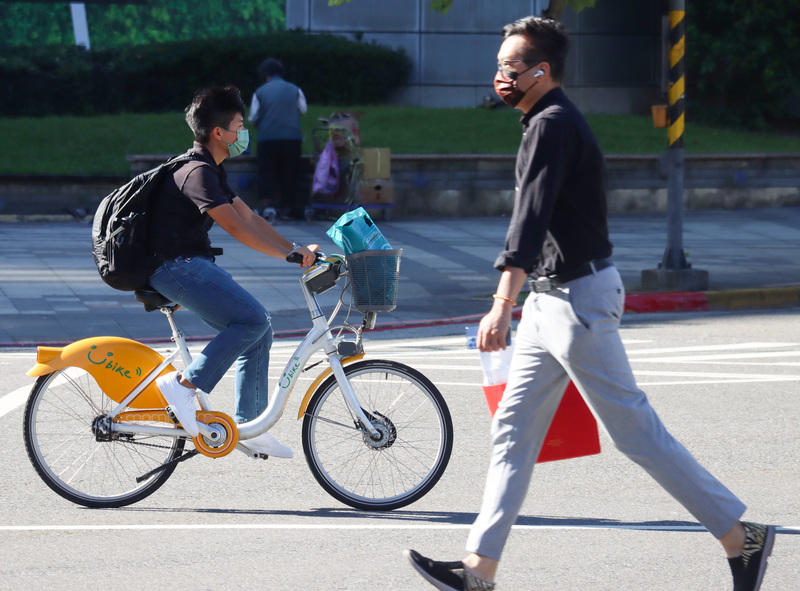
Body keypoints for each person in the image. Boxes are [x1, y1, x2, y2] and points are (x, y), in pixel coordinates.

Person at [405, 17, 775, 591]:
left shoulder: (552, 125)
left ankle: (739, 535)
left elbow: (528, 219)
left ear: (539, 72)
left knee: (636, 434)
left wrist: (501, 300)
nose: (499, 77)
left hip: (576, 302)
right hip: (550, 302)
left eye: (508, 67)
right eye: (500, 65)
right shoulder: (547, 122)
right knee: (511, 432)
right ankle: (479, 569)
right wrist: (520, 300)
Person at [150, 85, 318, 459]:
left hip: (189, 264)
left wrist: (294, 248)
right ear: (219, 133)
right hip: (174, 267)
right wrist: (287, 257)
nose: (244, 133)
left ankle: (250, 426)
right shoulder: (197, 173)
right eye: (240, 125)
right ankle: (183, 386)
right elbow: (237, 229)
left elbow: (250, 217)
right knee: (251, 320)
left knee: (259, 328)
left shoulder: (214, 171)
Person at [248, 57, 308, 221]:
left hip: (267, 139)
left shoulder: (260, 92)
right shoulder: (295, 89)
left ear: (265, 75)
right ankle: (288, 209)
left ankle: (268, 207)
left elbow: (253, 117)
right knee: (290, 172)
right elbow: (302, 110)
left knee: (266, 172)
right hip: (292, 139)